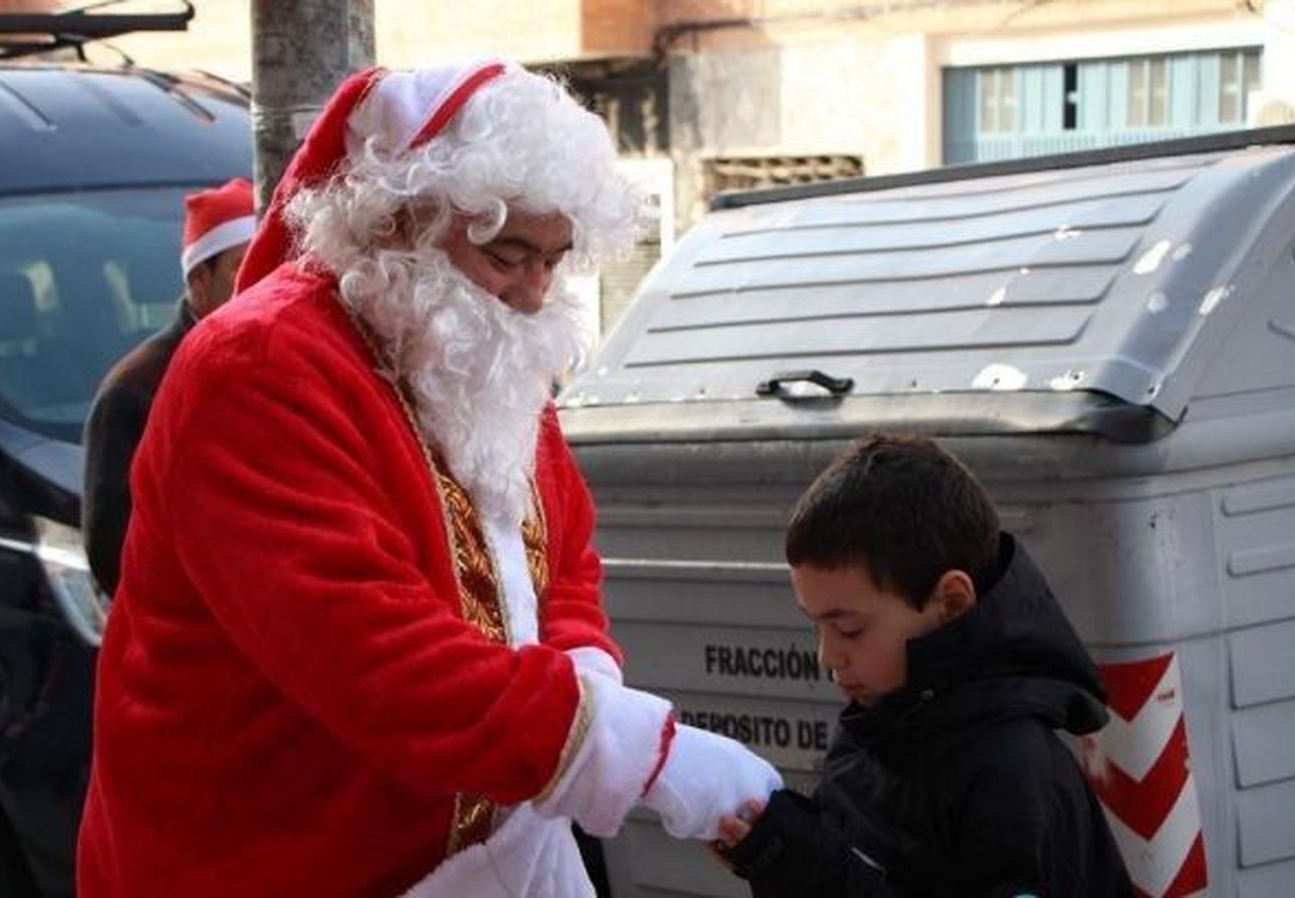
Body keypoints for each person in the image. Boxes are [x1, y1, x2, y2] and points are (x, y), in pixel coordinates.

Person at [76, 59, 785, 896]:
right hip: (280, 860)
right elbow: (374, 657)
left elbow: (565, 556)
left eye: (554, 261)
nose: (532, 293)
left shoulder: (477, 344)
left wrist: (583, 674)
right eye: (509, 253)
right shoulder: (256, 368)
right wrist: (637, 754)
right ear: (397, 222)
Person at [717, 434, 1132, 896]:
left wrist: (808, 867)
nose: (827, 657)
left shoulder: (1012, 775)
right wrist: (774, 851)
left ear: (951, 602)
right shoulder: (875, 730)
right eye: (818, 627)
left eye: (850, 629)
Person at [81, 177, 254, 597]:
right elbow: (116, 557)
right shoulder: (136, 389)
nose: (256, 279)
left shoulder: (278, 365)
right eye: (240, 267)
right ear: (199, 280)